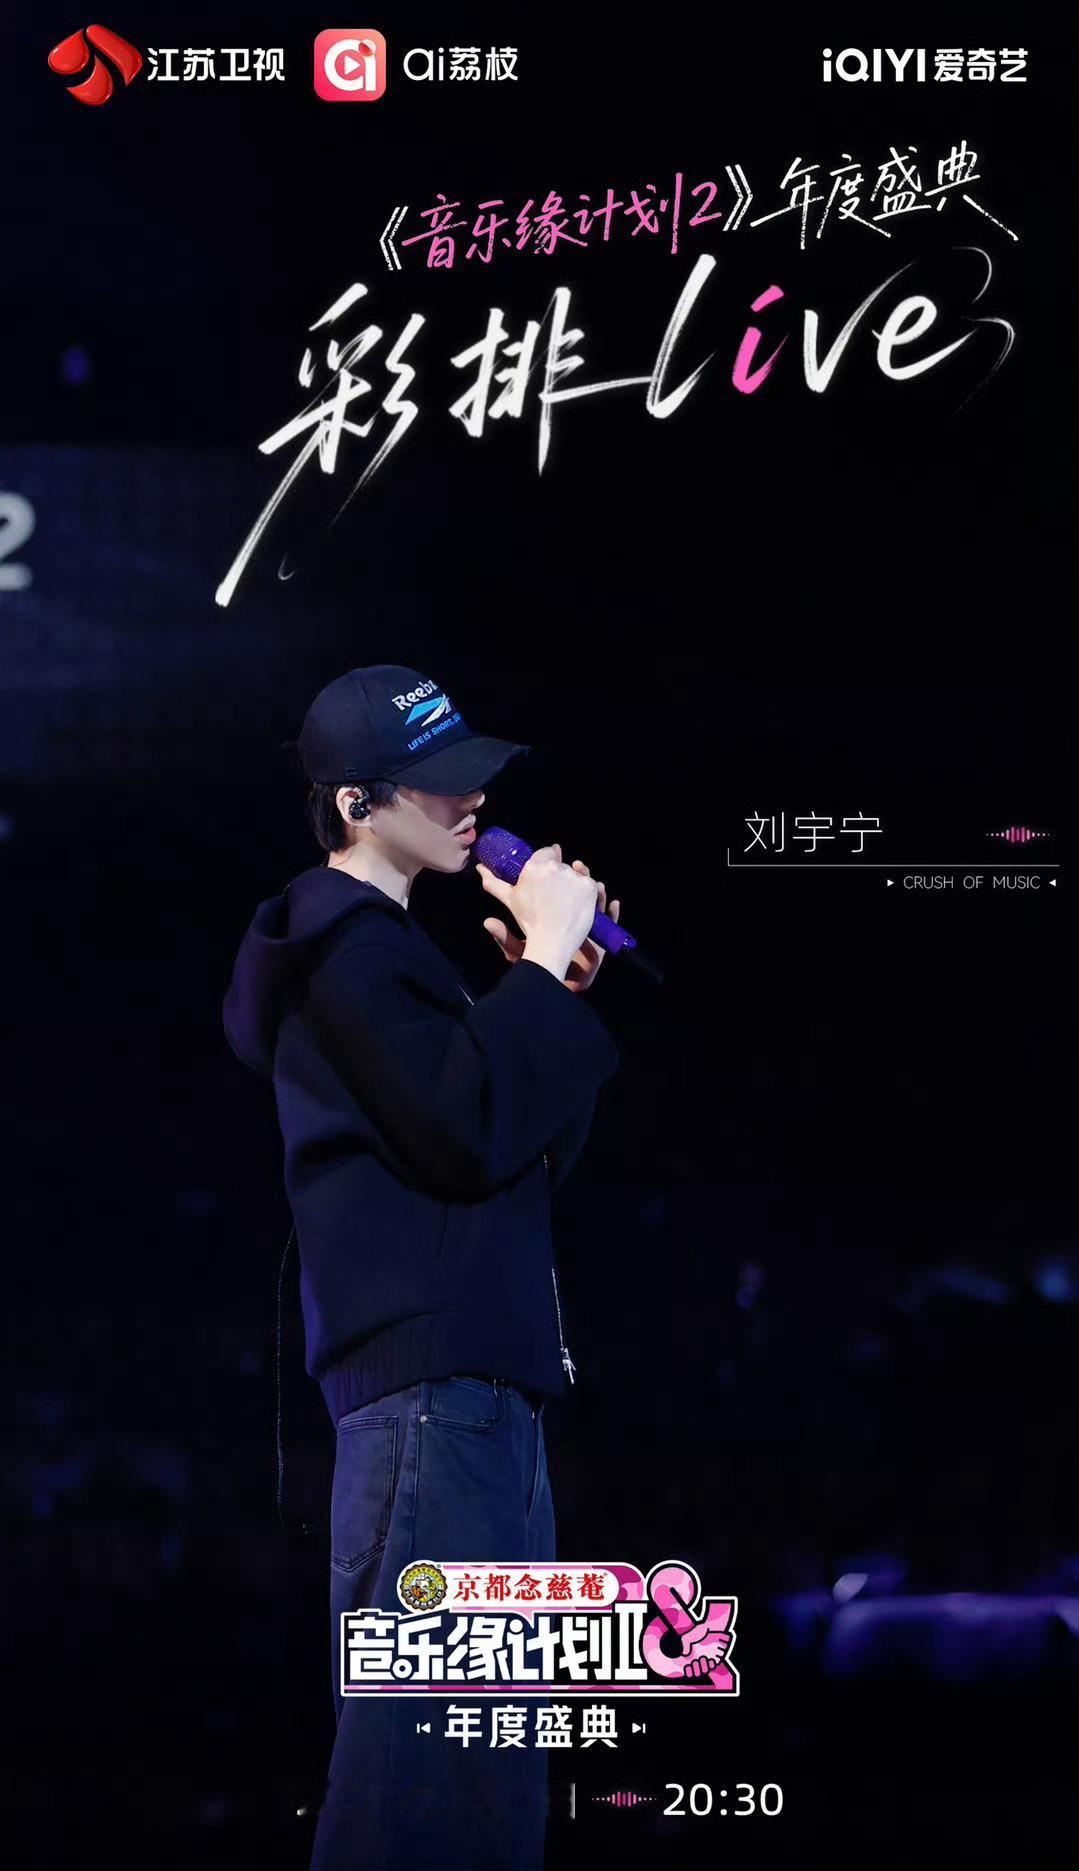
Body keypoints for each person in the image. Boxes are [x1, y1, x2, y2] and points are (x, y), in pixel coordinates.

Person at [222, 665, 621, 1871]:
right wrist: (535, 971)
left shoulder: (393, 956)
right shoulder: (345, 950)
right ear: (357, 802)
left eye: (473, 773)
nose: (471, 798)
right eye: (437, 780)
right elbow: (466, 1130)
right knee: (422, 1767)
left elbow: (512, 1161)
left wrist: (546, 989)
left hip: (473, 1396)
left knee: (485, 1773)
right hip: (431, 1399)